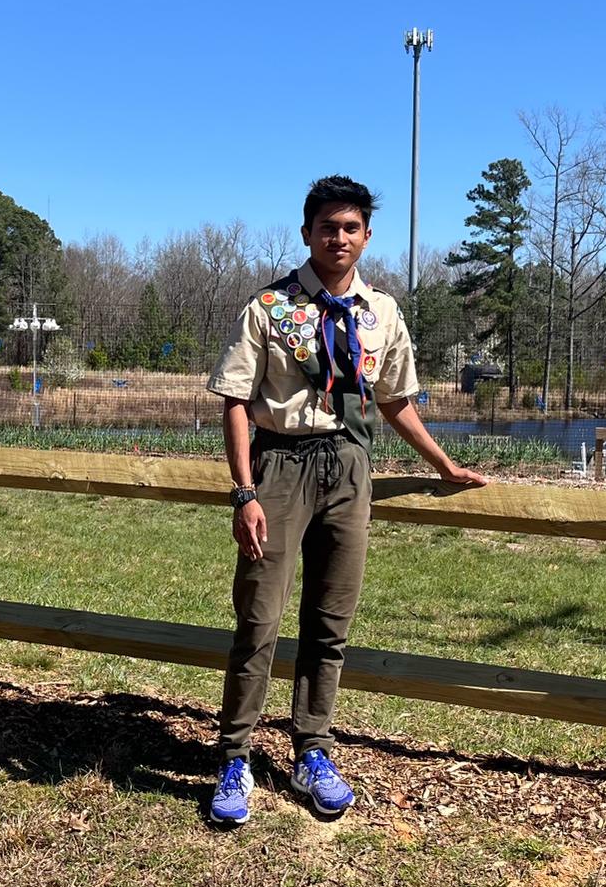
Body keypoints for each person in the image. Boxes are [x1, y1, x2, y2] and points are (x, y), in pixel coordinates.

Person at [203, 175, 489, 825]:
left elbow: (395, 401)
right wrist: (245, 491)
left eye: (350, 228)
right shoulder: (268, 307)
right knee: (259, 621)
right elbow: (237, 403)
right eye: (327, 227)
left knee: (330, 624)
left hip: (348, 468)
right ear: (307, 233)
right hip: (278, 466)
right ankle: (235, 757)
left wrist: (443, 464)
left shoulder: (380, 313)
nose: (339, 238)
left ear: (365, 237)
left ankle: (313, 750)